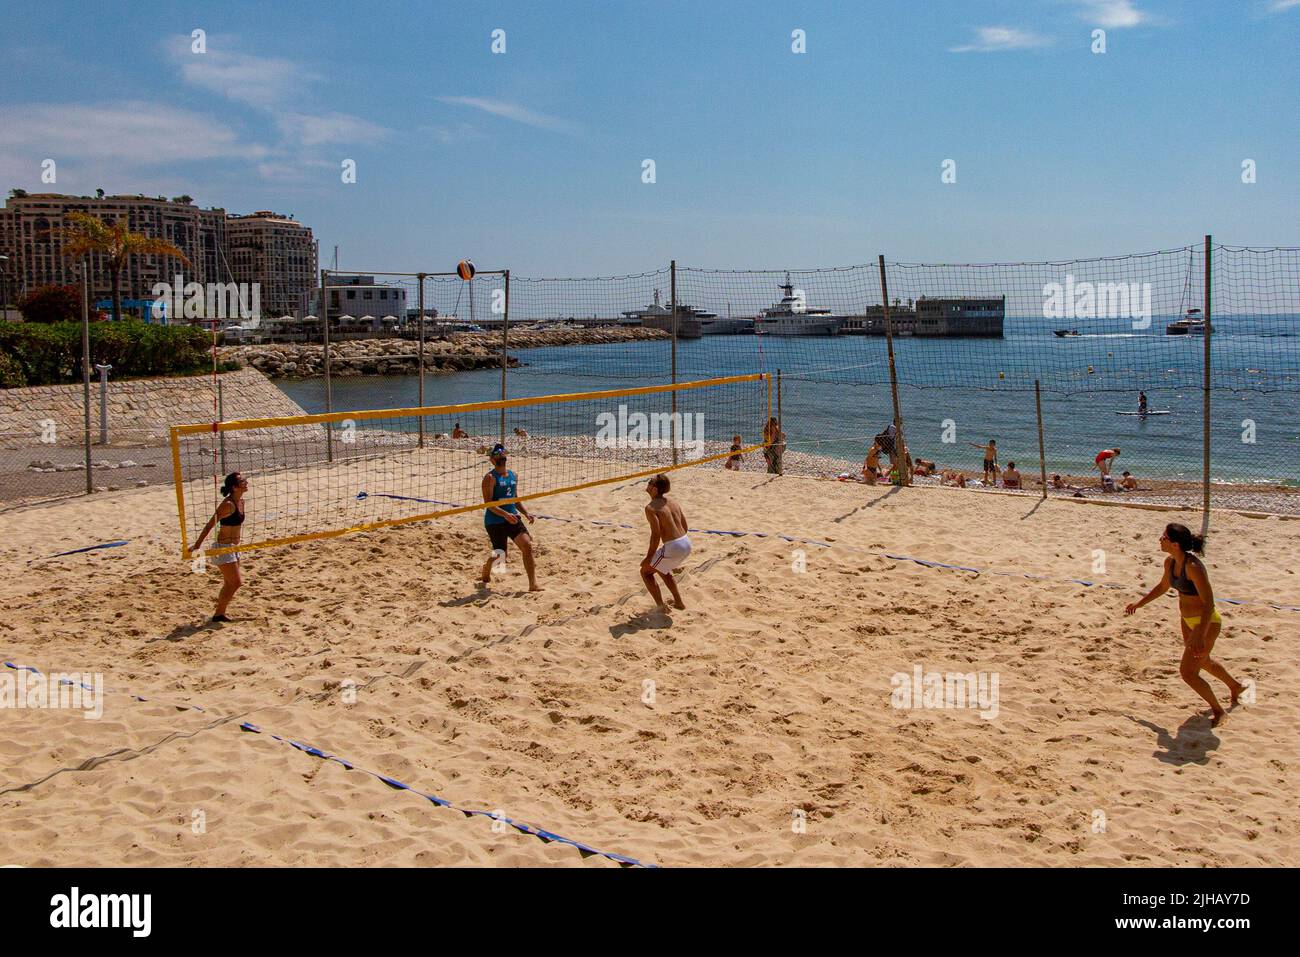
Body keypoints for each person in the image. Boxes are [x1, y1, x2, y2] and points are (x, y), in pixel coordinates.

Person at [1124, 523, 1245, 728]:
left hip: (1205, 622)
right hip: (1187, 621)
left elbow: (1209, 603)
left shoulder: (1193, 567)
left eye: (1164, 537)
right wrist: (1139, 604)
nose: (1160, 540)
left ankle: (1219, 711)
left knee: (1188, 673)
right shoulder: (1170, 563)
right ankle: (1235, 686)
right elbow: (1163, 587)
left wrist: (1200, 633)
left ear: (1175, 544)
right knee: (1203, 661)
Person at [479, 443, 540, 591]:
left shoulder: (514, 475)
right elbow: (489, 504)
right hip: (495, 521)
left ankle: (533, 584)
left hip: (512, 518)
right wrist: (505, 515)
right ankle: (487, 567)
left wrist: (525, 513)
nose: (501, 455)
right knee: (501, 557)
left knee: (527, 545)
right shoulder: (489, 478)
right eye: (497, 454)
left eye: (502, 453)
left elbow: (515, 498)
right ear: (492, 460)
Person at [190, 471, 248, 623]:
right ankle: (218, 614)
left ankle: (219, 613)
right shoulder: (227, 505)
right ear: (235, 487)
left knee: (230, 583)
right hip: (222, 548)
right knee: (236, 582)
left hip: (234, 547)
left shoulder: (241, 502)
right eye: (243, 481)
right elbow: (210, 525)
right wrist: (197, 546)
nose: (246, 482)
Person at [640, 473, 689, 612]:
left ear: (654, 489)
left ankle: (661, 607)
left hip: (675, 546)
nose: (648, 484)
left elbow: (656, 535)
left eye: (650, 482)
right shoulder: (673, 502)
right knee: (662, 568)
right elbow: (685, 527)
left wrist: (649, 557)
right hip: (686, 543)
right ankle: (679, 602)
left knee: (645, 572)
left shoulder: (650, 508)